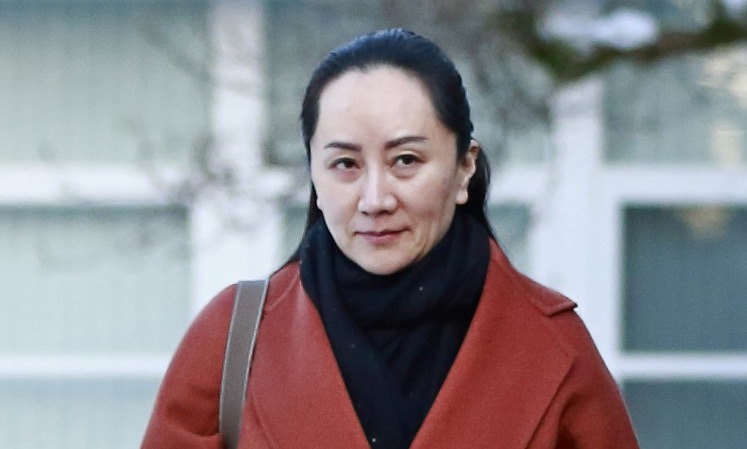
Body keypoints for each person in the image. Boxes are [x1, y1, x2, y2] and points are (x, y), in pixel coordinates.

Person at [142, 28, 640, 449]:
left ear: (464, 167)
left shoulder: (554, 345)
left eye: (406, 160)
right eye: (345, 164)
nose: (375, 199)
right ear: (313, 174)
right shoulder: (232, 340)